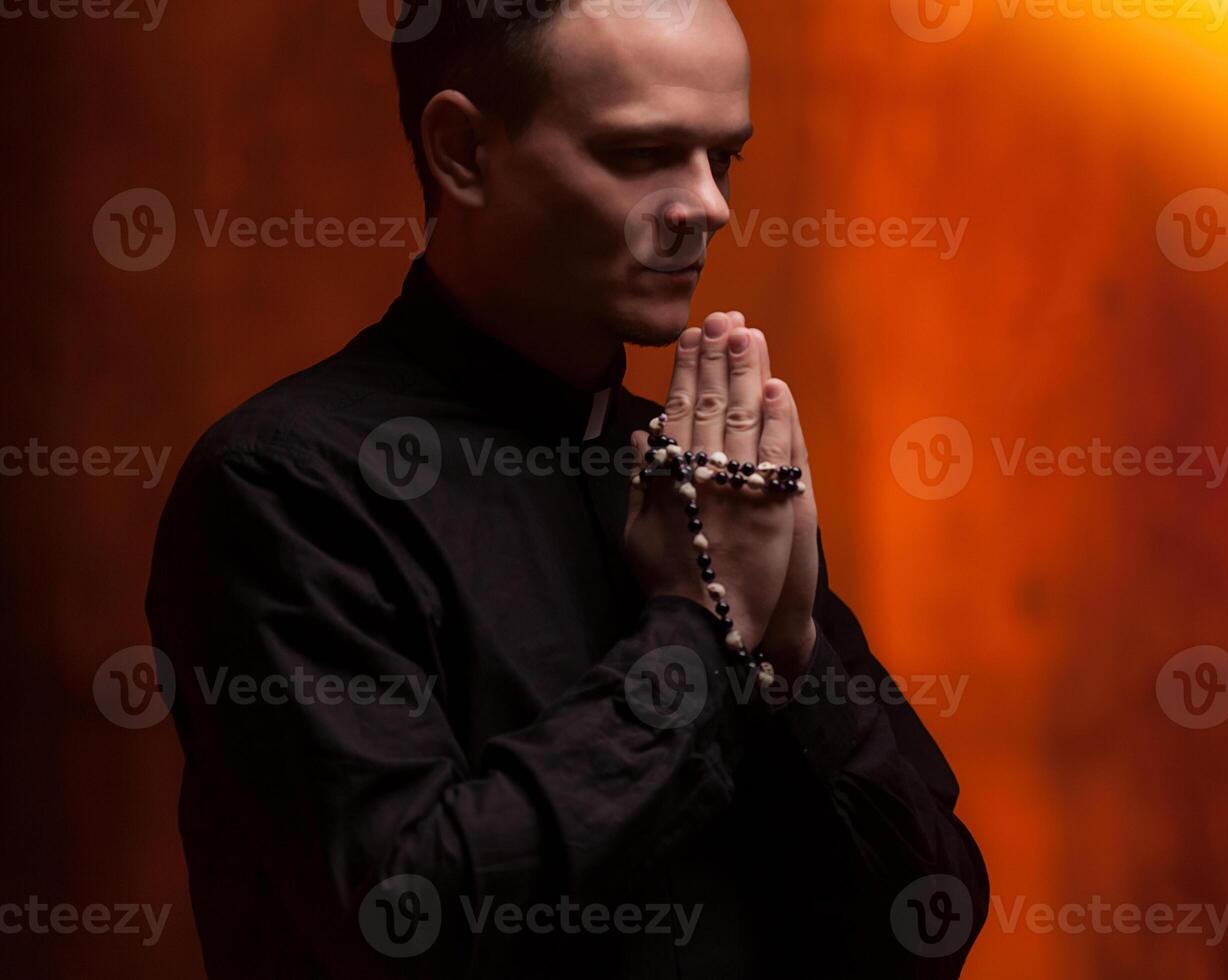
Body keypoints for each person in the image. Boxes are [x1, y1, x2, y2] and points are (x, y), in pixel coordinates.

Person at [145, 1, 987, 975]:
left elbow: (931, 923)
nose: (710, 204)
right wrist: (694, 628)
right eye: (645, 154)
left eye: (726, 159)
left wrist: (789, 658)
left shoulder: (700, 472)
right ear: (462, 150)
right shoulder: (285, 486)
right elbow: (414, 925)